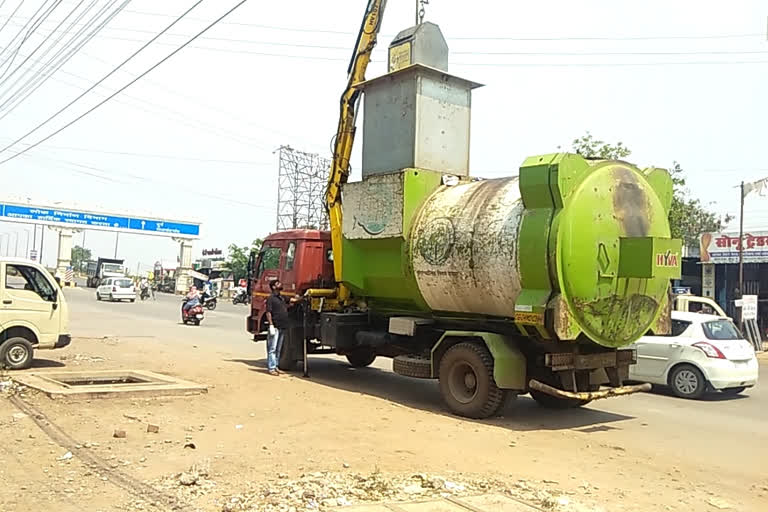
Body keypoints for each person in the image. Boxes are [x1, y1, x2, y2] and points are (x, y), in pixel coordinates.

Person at [265, 279, 289, 376]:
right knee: (273, 348)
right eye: (278, 283)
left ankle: (276, 366)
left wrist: (304, 296)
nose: (281, 284)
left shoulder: (282, 297)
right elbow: (268, 312)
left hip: (282, 326)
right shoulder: (271, 299)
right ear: (274, 287)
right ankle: (271, 368)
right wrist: (271, 325)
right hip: (275, 327)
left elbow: (292, 300)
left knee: (279, 348)